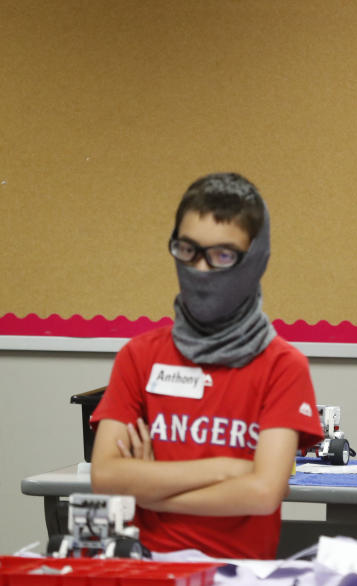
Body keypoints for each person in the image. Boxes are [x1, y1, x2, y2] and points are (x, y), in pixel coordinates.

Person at [89, 173, 324, 559]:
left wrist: (154, 494)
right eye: (187, 250)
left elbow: (264, 493)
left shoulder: (283, 366)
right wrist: (229, 469)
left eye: (222, 255)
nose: (200, 269)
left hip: (239, 574)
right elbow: (107, 477)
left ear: (255, 260)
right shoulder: (139, 356)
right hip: (148, 569)